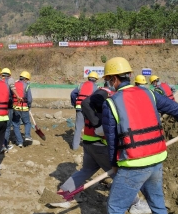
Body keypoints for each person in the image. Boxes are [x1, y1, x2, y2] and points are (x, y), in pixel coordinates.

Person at [101, 57, 178, 214]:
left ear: (114, 79)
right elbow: (175, 108)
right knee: (157, 205)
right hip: (156, 159)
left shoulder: (111, 102)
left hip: (133, 163)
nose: (108, 83)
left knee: (115, 207)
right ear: (129, 75)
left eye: (108, 79)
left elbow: (112, 139)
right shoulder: (149, 93)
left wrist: (114, 164)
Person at [56, 83, 151, 213]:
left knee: (86, 170)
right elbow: (86, 104)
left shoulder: (104, 95)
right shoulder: (106, 93)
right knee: (120, 176)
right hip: (100, 145)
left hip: (89, 143)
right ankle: (135, 204)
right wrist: (99, 125)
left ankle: (64, 192)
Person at [70, 71, 99, 150]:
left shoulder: (81, 85)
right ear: (96, 79)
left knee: (78, 128)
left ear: (88, 78)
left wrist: (74, 103)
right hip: (89, 109)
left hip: (79, 107)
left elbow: (73, 94)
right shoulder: (96, 87)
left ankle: (75, 147)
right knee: (91, 127)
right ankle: (91, 145)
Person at [1, 68, 23, 153]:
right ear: (9, 75)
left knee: (0, 126)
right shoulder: (10, 80)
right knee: (7, 127)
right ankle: (4, 145)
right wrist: (18, 96)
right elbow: (12, 87)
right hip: (8, 106)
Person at [11, 71, 33, 148]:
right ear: (25, 79)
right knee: (27, 123)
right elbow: (29, 99)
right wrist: (29, 106)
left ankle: (19, 142)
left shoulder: (13, 85)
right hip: (24, 108)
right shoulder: (26, 85)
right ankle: (27, 136)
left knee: (16, 124)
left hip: (15, 108)